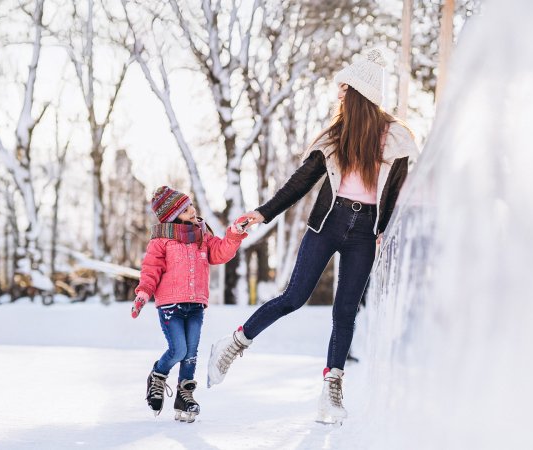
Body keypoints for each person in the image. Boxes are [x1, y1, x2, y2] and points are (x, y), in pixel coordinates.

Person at [206, 49, 420, 424]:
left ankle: (331, 389)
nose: (339, 94)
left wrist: (387, 229)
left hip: (365, 233)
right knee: (293, 297)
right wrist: (262, 213)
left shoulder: (398, 140)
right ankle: (232, 344)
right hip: (328, 223)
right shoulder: (335, 138)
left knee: (346, 311)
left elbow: (401, 192)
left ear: (359, 95)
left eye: (345, 88)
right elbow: (301, 182)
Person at [131, 186, 248, 423]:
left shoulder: (202, 236)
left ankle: (185, 396)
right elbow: (151, 270)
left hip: (195, 304)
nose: (192, 210)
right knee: (179, 350)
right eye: (185, 210)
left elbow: (220, 253)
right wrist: (143, 293)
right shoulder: (161, 240)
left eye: (191, 205)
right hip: (170, 305)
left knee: (191, 354)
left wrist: (234, 233)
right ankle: (158, 375)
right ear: (173, 216)